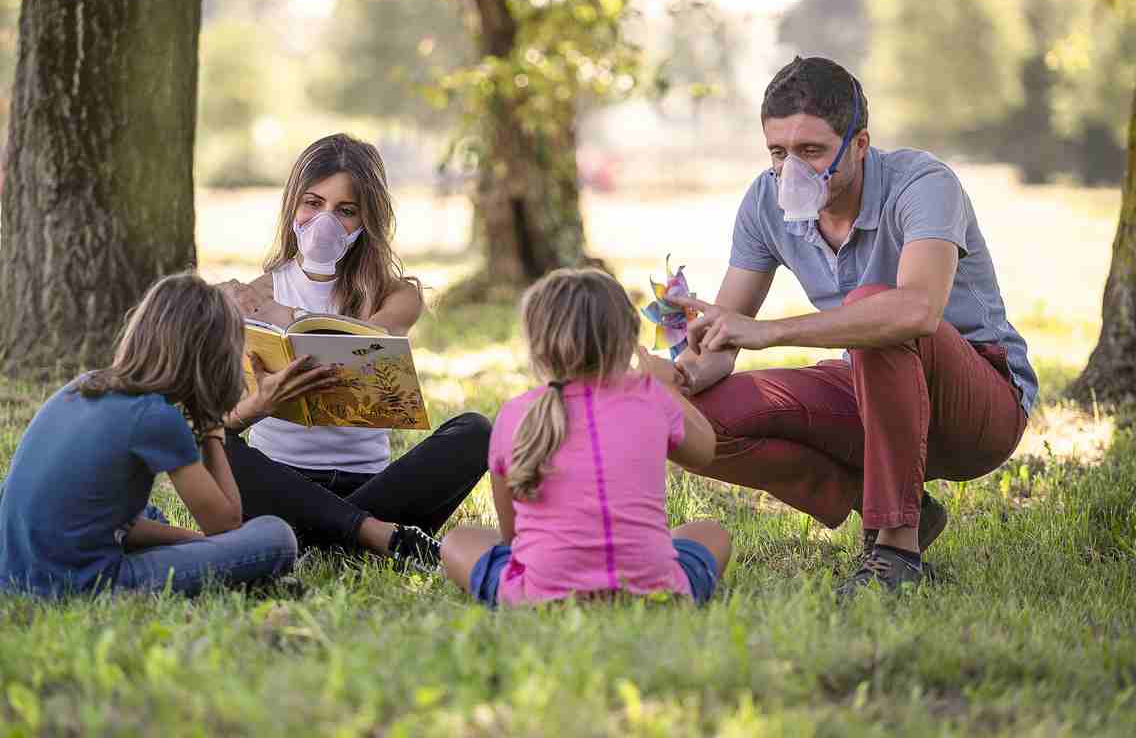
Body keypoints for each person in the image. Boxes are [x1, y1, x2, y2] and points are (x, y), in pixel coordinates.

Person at [650, 56, 1037, 596]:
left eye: (811, 151)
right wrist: (677, 379)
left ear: (859, 144)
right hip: (874, 392)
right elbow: (725, 333)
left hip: (978, 404)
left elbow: (915, 311)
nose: (792, 172)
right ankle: (904, 509)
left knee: (877, 310)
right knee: (694, 420)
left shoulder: (923, 183)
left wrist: (770, 332)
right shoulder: (765, 200)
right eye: (778, 153)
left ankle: (896, 551)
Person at [217, 134, 490, 569]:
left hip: (371, 485)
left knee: (476, 431)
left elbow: (364, 342)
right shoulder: (253, 294)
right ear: (292, 207)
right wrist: (258, 401)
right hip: (283, 484)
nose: (324, 221)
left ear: (368, 220)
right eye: (313, 203)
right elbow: (223, 416)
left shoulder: (396, 294)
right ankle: (367, 539)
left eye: (345, 211)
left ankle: (319, 539)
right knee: (210, 439)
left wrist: (277, 313)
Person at [0, 273, 298, 598]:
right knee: (275, 537)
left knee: (145, 513)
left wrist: (207, 547)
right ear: (212, 359)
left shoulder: (85, 385)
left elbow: (127, 521)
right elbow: (225, 525)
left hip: (17, 576)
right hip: (83, 585)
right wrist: (212, 430)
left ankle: (213, 564)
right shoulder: (156, 416)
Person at [441, 268, 732, 607]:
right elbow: (704, 451)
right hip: (655, 587)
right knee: (711, 533)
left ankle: (553, 593)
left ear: (538, 345)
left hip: (540, 593)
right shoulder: (650, 396)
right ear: (627, 338)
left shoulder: (516, 413)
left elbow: (512, 537)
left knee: (458, 541)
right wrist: (666, 386)